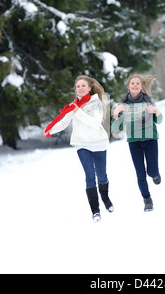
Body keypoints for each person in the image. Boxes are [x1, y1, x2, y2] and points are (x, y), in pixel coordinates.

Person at [43, 75, 113, 223]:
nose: (80, 88)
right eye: (77, 86)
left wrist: (78, 111)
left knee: (102, 176)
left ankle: (105, 198)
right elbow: (63, 123)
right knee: (89, 177)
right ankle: (95, 211)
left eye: (83, 86)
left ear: (89, 88)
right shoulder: (73, 105)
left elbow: (95, 123)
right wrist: (49, 130)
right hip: (82, 144)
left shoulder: (96, 103)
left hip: (98, 143)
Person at [112, 73, 163, 212]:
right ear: (128, 86)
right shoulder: (123, 105)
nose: (135, 85)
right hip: (134, 143)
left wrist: (156, 112)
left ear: (141, 87)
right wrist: (115, 114)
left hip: (151, 139)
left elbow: (159, 121)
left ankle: (155, 174)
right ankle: (147, 200)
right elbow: (115, 129)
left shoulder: (149, 101)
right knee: (140, 174)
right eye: (132, 83)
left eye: (137, 83)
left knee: (151, 172)